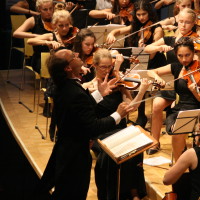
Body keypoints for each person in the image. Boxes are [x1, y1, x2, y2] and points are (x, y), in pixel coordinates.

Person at [34, 49, 133, 199]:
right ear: (68, 68)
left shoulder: (67, 85)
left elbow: (79, 111)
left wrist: (100, 94)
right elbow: (94, 126)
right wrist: (118, 114)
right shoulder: (73, 91)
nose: (77, 55)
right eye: (73, 56)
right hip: (75, 157)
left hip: (68, 150)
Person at [84, 48, 150, 200]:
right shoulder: (88, 87)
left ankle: (134, 192)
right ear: (94, 66)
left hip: (120, 130)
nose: (107, 70)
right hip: (101, 132)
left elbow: (131, 107)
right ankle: (114, 194)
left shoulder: (119, 85)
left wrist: (142, 91)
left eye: (110, 67)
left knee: (136, 147)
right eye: (103, 67)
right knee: (118, 151)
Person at [144, 8, 200, 154]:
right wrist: (159, 47)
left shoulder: (195, 41)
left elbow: (199, 62)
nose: (183, 25)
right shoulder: (169, 39)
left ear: (193, 23)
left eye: (188, 22)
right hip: (171, 83)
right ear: (176, 20)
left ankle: (184, 144)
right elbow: (147, 48)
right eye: (181, 21)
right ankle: (155, 141)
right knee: (157, 105)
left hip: (186, 84)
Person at [147, 37, 200, 161]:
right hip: (180, 108)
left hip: (198, 109)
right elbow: (151, 71)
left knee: (187, 129)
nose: (184, 59)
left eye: (187, 55)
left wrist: (194, 91)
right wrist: (158, 78)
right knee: (176, 129)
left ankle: (192, 161)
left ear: (194, 53)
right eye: (180, 56)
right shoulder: (176, 67)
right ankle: (179, 163)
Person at [106, 0, 167, 127]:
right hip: (140, 61)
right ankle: (140, 114)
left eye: (144, 14)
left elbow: (152, 54)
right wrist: (112, 33)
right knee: (133, 77)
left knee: (142, 78)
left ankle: (146, 115)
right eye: (138, 14)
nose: (141, 17)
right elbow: (119, 32)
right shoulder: (135, 26)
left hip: (155, 63)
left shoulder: (157, 28)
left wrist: (144, 47)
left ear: (149, 13)